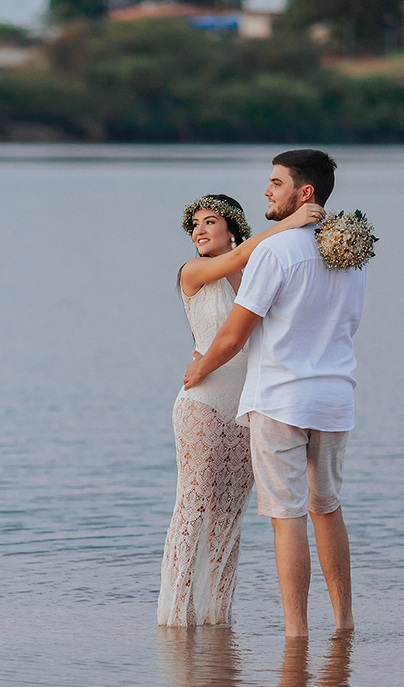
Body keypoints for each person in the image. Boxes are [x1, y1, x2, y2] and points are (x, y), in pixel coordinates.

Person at [184, 149, 365, 638]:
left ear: (304, 193)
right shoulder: (351, 253)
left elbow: (234, 333)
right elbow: (348, 324)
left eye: (276, 182)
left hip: (280, 397)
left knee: (287, 517)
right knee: (326, 506)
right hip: (333, 395)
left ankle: (297, 634)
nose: (266, 190)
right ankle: (345, 624)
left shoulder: (274, 251)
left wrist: (200, 366)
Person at [159, 194, 324, 627]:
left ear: (231, 227)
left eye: (209, 221)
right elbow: (240, 258)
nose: (198, 230)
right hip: (203, 402)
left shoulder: (253, 272)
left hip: (247, 407)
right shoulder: (193, 272)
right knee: (194, 506)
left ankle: (215, 621)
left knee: (230, 516)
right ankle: (177, 620)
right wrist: (288, 224)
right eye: (193, 224)